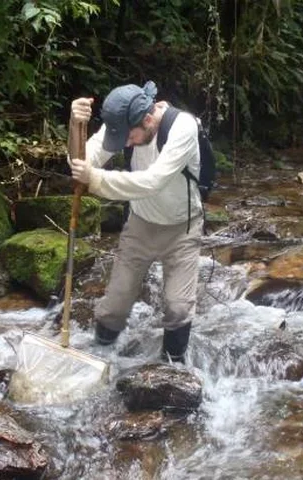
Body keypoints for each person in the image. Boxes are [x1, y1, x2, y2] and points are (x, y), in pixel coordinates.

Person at [68, 81, 203, 363]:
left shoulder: (183, 127)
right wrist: (75, 125)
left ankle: (173, 372)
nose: (125, 144)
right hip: (140, 224)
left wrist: (96, 179)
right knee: (114, 306)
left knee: (178, 308)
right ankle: (99, 359)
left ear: (148, 120)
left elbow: (153, 181)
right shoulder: (121, 123)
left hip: (183, 229)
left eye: (129, 137)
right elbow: (81, 162)